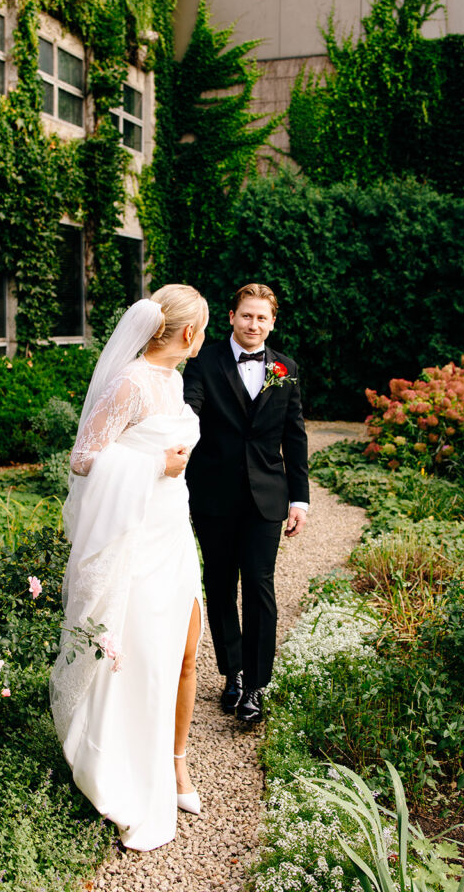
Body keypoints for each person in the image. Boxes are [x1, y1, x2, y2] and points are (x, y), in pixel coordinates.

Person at [50, 285, 208, 852]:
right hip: (136, 538)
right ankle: (122, 764)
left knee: (187, 650)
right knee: (139, 656)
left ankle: (174, 765)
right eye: (205, 328)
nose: (204, 338)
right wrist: (152, 466)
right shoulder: (129, 381)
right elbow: (84, 457)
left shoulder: (173, 379)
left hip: (173, 532)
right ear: (189, 334)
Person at [182, 282, 309, 723]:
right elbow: (189, 413)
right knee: (219, 584)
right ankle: (231, 674)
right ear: (232, 316)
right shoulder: (202, 362)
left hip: (267, 498)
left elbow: (294, 435)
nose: (254, 324)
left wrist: (300, 499)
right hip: (213, 495)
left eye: (262, 317)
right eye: (246, 315)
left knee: (259, 585)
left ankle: (256, 685)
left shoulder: (285, 368)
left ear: (272, 322)